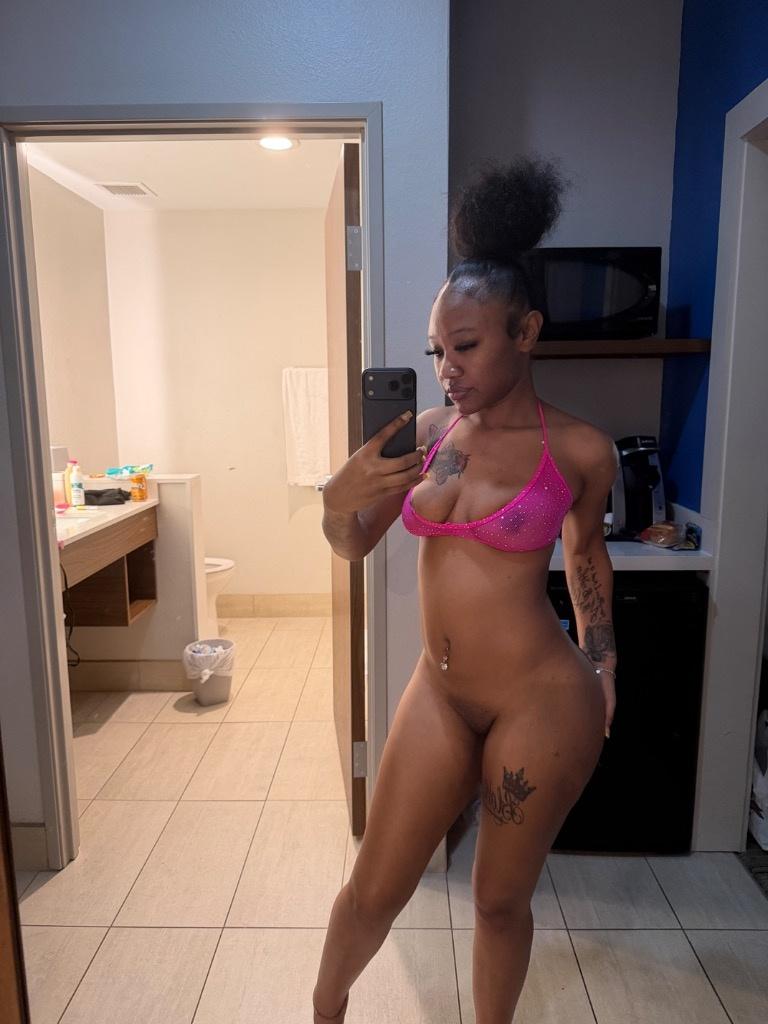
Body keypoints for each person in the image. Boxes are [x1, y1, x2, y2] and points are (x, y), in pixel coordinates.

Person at [313, 155, 619, 1023]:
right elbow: (351, 545)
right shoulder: (427, 437)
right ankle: (323, 1012)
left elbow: (585, 556)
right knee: (373, 887)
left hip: (540, 699)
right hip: (440, 692)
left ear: (526, 331)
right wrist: (335, 501)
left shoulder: (580, 450)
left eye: (467, 346)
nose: (447, 368)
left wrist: (604, 665)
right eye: (437, 351)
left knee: (495, 902)